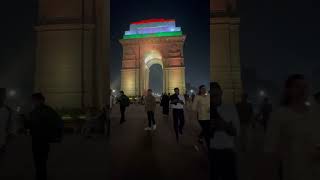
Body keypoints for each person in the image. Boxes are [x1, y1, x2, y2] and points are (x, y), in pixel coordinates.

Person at [264, 74, 320, 180]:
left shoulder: (316, 113)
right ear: (288, 90)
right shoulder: (279, 115)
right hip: (294, 173)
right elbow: (270, 150)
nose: (302, 90)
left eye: (305, 87)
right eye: (297, 86)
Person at [28, 93, 63, 180]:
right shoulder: (44, 110)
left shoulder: (40, 111)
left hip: (41, 138)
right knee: (40, 161)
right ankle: (40, 176)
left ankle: (40, 177)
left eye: (34, 100)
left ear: (40, 100)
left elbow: (57, 122)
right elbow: (58, 122)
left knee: (40, 161)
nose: (33, 102)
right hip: (40, 138)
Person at [209, 82, 240, 180]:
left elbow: (236, 132)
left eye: (216, 95)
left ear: (221, 93)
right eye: (211, 96)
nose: (214, 98)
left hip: (227, 153)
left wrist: (225, 126)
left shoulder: (230, 109)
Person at [0, 88, 14, 153]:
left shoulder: (7, 110)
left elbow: (9, 124)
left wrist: (10, 133)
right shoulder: (7, 110)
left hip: (2, 140)